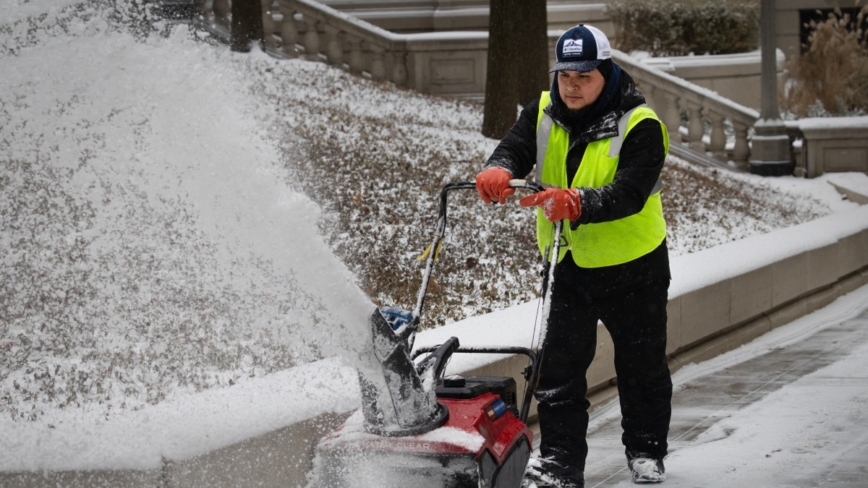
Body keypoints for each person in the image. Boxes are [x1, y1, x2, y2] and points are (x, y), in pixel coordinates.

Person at [474, 24, 673, 487]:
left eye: (584, 76)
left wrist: (579, 202)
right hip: (569, 265)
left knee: (641, 366)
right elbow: (518, 145)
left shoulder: (640, 124)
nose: (573, 86)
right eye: (565, 75)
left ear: (605, 72)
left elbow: (630, 192)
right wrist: (499, 167)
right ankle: (561, 463)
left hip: (634, 267)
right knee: (559, 370)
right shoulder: (544, 109)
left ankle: (646, 450)